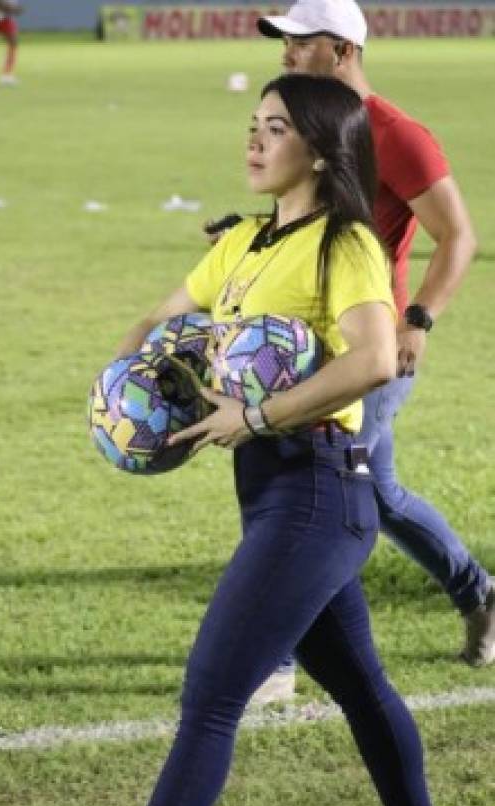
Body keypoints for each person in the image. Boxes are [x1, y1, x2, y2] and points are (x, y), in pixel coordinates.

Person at [29, 74, 468, 806]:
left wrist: (260, 413)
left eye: (276, 126)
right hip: (275, 494)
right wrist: (129, 392)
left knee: (214, 690)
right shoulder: (241, 244)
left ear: (319, 147)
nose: (254, 140)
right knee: (361, 686)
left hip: (320, 491)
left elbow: (373, 360)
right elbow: (159, 325)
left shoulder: (346, 244)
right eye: (252, 123)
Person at [241, 0, 492, 705]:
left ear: (342, 50)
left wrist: (417, 320)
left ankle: (279, 659)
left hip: (371, 349)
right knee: (375, 496)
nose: (286, 53)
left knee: (308, 491)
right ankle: (478, 592)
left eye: (299, 42)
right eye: (284, 42)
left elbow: (459, 236)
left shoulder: (395, 134)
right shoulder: (307, 128)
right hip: (307, 344)